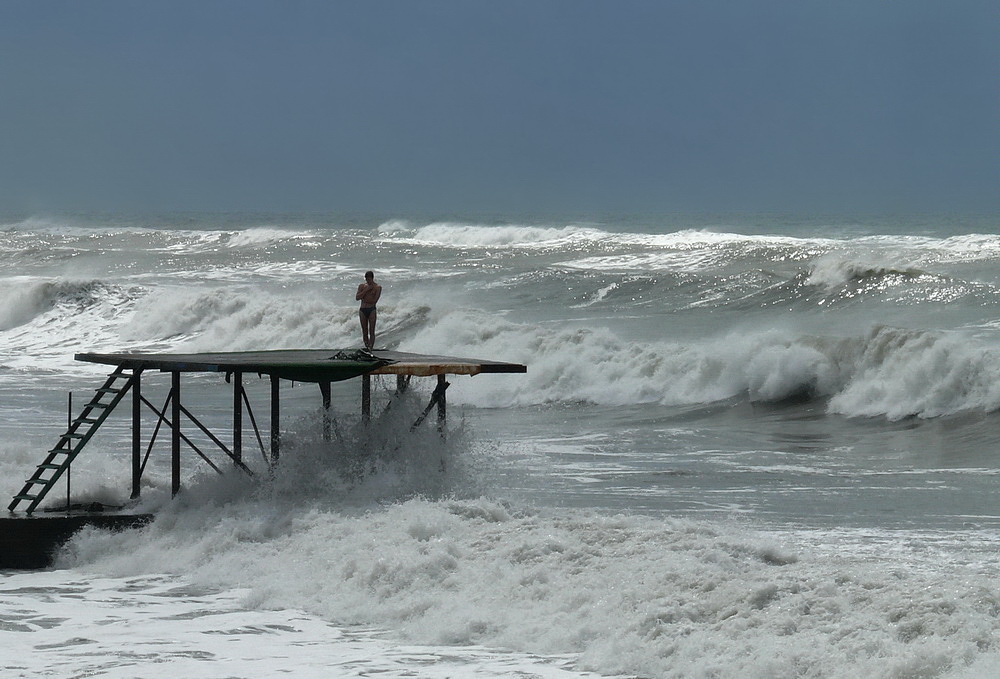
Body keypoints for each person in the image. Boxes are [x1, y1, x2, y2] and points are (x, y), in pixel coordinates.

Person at [355, 270, 382, 350]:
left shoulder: (377, 287)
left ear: (372, 278)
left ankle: (371, 347)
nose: (368, 281)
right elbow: (357, 297)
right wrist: (366, 290)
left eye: (369, 279)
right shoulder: (362, 286)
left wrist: (364, 299)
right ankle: (367, 347)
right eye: (366, 279)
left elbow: (374, 300)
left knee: (372, 330)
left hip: (371, 310)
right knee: (364, 330)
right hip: (362, 310)